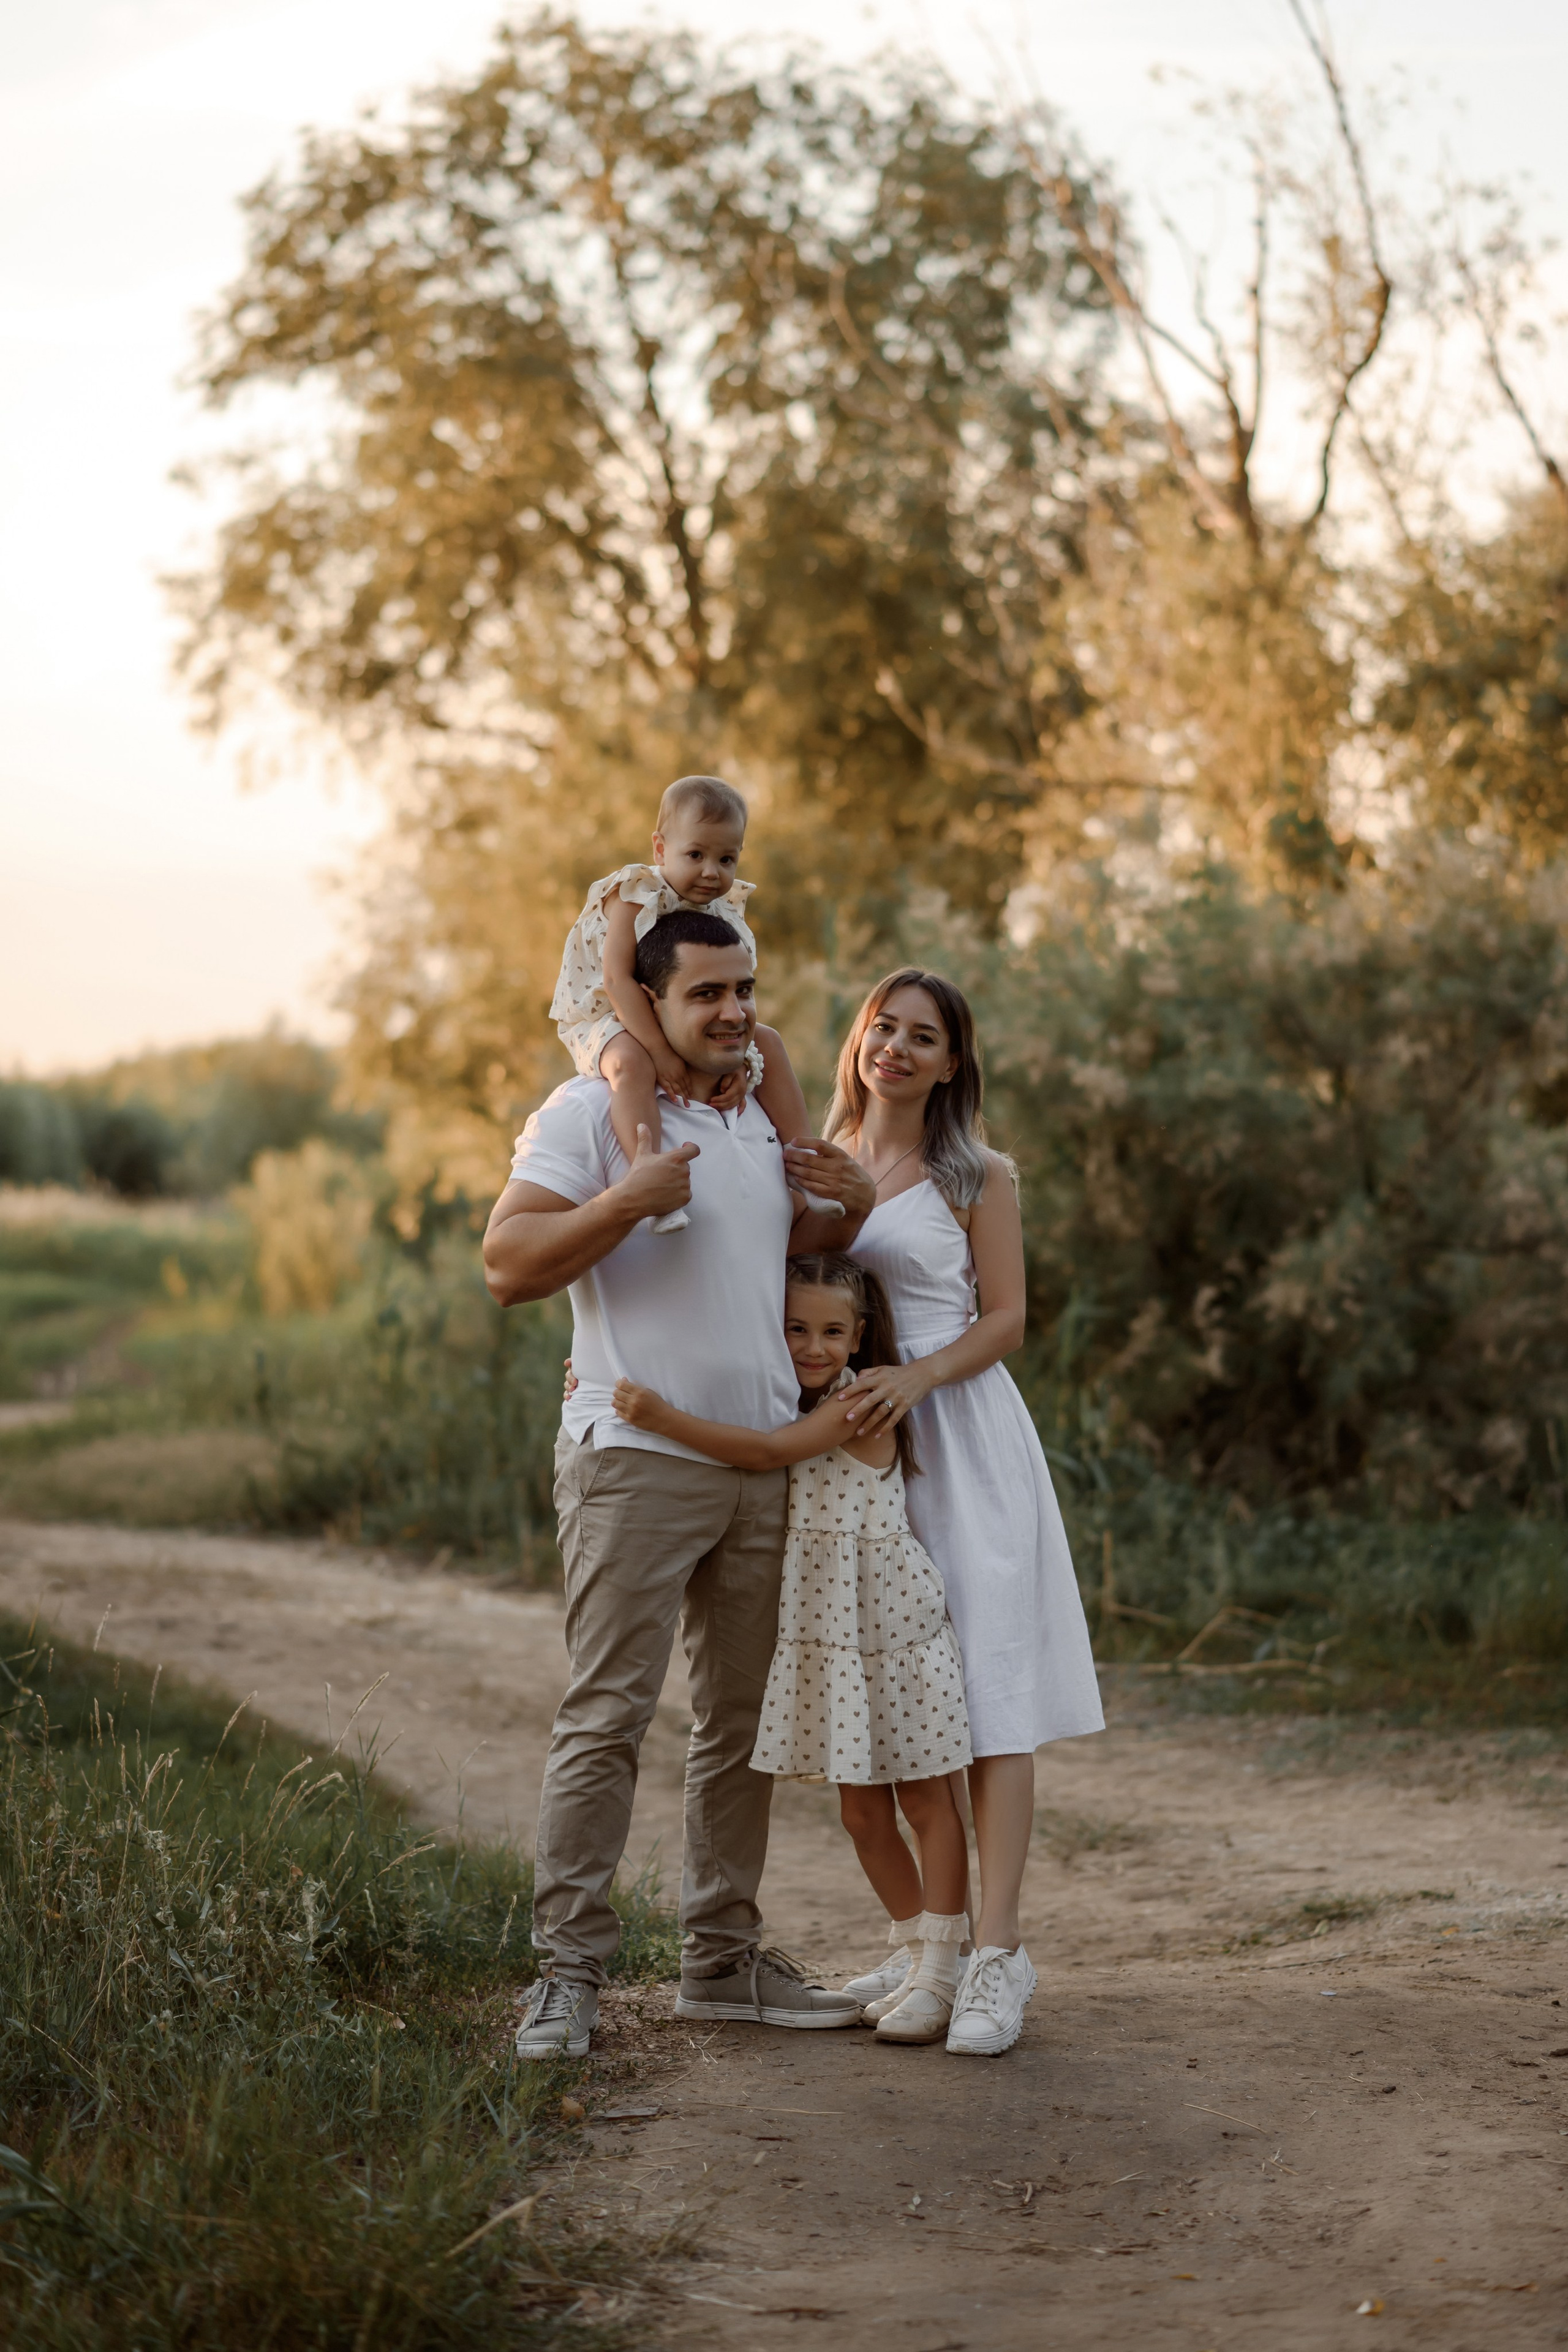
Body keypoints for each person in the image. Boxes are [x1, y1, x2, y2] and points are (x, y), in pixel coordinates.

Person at [484, 907, 873, 2059]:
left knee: (737, 1728)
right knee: (607, 1717)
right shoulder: (585, 1117)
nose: (735, 1011)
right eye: (706, 993)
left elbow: (783, 1265)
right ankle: (566, 1978)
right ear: (648, 1004)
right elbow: (506, 1264)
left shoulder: (758, 1122)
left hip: (758, 1465)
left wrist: (844, 1200)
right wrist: (619, 1203)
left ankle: (720, 1964)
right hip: (635, 1462)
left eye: (744, 989)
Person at [831, 967, 1104, 2058]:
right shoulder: (825, 1165)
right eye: (881, 1028)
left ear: (953, 1062)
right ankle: (927, 1951)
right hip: (866, 1461)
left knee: (990, 1696)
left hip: (966, 1438)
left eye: (922, 1036)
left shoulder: (974, 1174)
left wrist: (920, 1377)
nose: (895, 1047)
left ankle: (1000, 1958)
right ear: (859, 1041)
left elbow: (1009, 1320)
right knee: (909, 1699)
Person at [612, 1251, 974, 2046]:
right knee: (860, 1813)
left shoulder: (859, 1402)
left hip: (890, 1627)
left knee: (924, 1800)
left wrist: (654, 1414)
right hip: (833, 1637)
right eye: (796, 1328)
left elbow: (766, 1455)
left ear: (859, 1337)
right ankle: (916, 1949)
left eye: (833, 1331)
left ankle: (948, 1969)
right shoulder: (785, 1399)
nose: (814, 1346)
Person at [549, 772, 824, 1231]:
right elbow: (618, 980)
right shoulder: (635, 893)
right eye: (695, 855)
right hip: (607, 1013)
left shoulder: (724, 911)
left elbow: (731, 995)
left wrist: (743, 1065)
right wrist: (659, 1052)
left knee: (770, 1044)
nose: (712, 872)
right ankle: (652, 1177)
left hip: (675, 1020)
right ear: (660, 849)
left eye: (727, 858)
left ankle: (812, 1172)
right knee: (631, 1065)